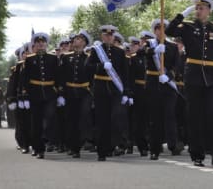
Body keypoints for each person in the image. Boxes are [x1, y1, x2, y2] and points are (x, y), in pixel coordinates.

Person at [165, 0, 213, 167]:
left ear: (209, 10)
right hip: (193, 76)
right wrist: (181, 15)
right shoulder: (187, 27)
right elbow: (169, 31)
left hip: (211, 77)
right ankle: (197, 154)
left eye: (202, 8)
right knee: (195, 116)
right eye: (197, 8)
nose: (199, 10)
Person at [86, 25, 130, 161]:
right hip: (100, 89)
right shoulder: (96, 51)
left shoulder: (119, 52)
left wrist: (127, 92)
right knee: (102, 120)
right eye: (106, 35)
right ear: (102, 37)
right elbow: (87, 67)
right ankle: (102, 151)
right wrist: (100, 66)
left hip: (115, 89)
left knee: (116, 117)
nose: (109, 37)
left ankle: (113, 145)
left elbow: (125, 73)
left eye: (111, 35)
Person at [21, 32, 61, 159]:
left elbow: (58, 76)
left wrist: (60, 93)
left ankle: (46, 138)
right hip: (35, 93)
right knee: (36, 122)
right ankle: (38, 148)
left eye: (43, 43)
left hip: (50, 92)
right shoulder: (30, 59)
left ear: (46, 44)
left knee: (49, 117)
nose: (40, 45)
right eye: (38, 43)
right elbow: (25, 79)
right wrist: (25, 96)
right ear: (35, 45)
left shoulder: (53, 58)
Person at [145, 18, 180, 160]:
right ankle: (155, 148)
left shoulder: (172, 46)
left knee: (170, 115)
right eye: (158, 28)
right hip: (153, 84)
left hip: (168, 85)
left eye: (163, 28)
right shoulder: (149, 44)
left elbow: (177, 65)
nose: (161, 31)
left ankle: (173, 145)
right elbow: (141, 52)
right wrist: (154, 50)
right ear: (154, 31)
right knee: (155, 118)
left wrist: (169, 76)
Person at [59, 30, 93, 158]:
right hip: (69, 91)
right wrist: (61, 93)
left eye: (79, 39)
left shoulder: (89, 58)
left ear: (84, 42)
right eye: (75, 39)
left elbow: (92, 77)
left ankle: (80, 143)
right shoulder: (66, 57)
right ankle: (73, 147)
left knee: (83, 118)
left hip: (84, 92)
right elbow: (61, 76)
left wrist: (92, 93)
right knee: (71, 119)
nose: (75, 41)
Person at [128, 36, 149, 157]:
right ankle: (141, 146)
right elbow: (130, 78)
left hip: (150, 90)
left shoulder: (152, 57)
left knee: (148, 119)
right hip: (138, 90)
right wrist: (130, 93)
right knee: (138, 119)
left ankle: (149, 143)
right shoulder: (134, 59)